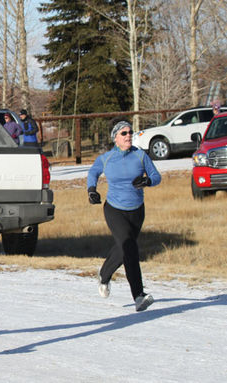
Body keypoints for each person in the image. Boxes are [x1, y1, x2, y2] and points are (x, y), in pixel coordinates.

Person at [87, 119, 161, 312]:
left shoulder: (140, 156)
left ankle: (104, 274)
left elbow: (156, 176)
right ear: (115, 138)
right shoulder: (107, 158)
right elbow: (93, 172)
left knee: (124, 248)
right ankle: (138, 296)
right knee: (130, 247)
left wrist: (147, 181)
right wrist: (92, 190)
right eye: (124, 133)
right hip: (114, 209)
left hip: (137, 210)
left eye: (130, 132)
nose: (129, 136)